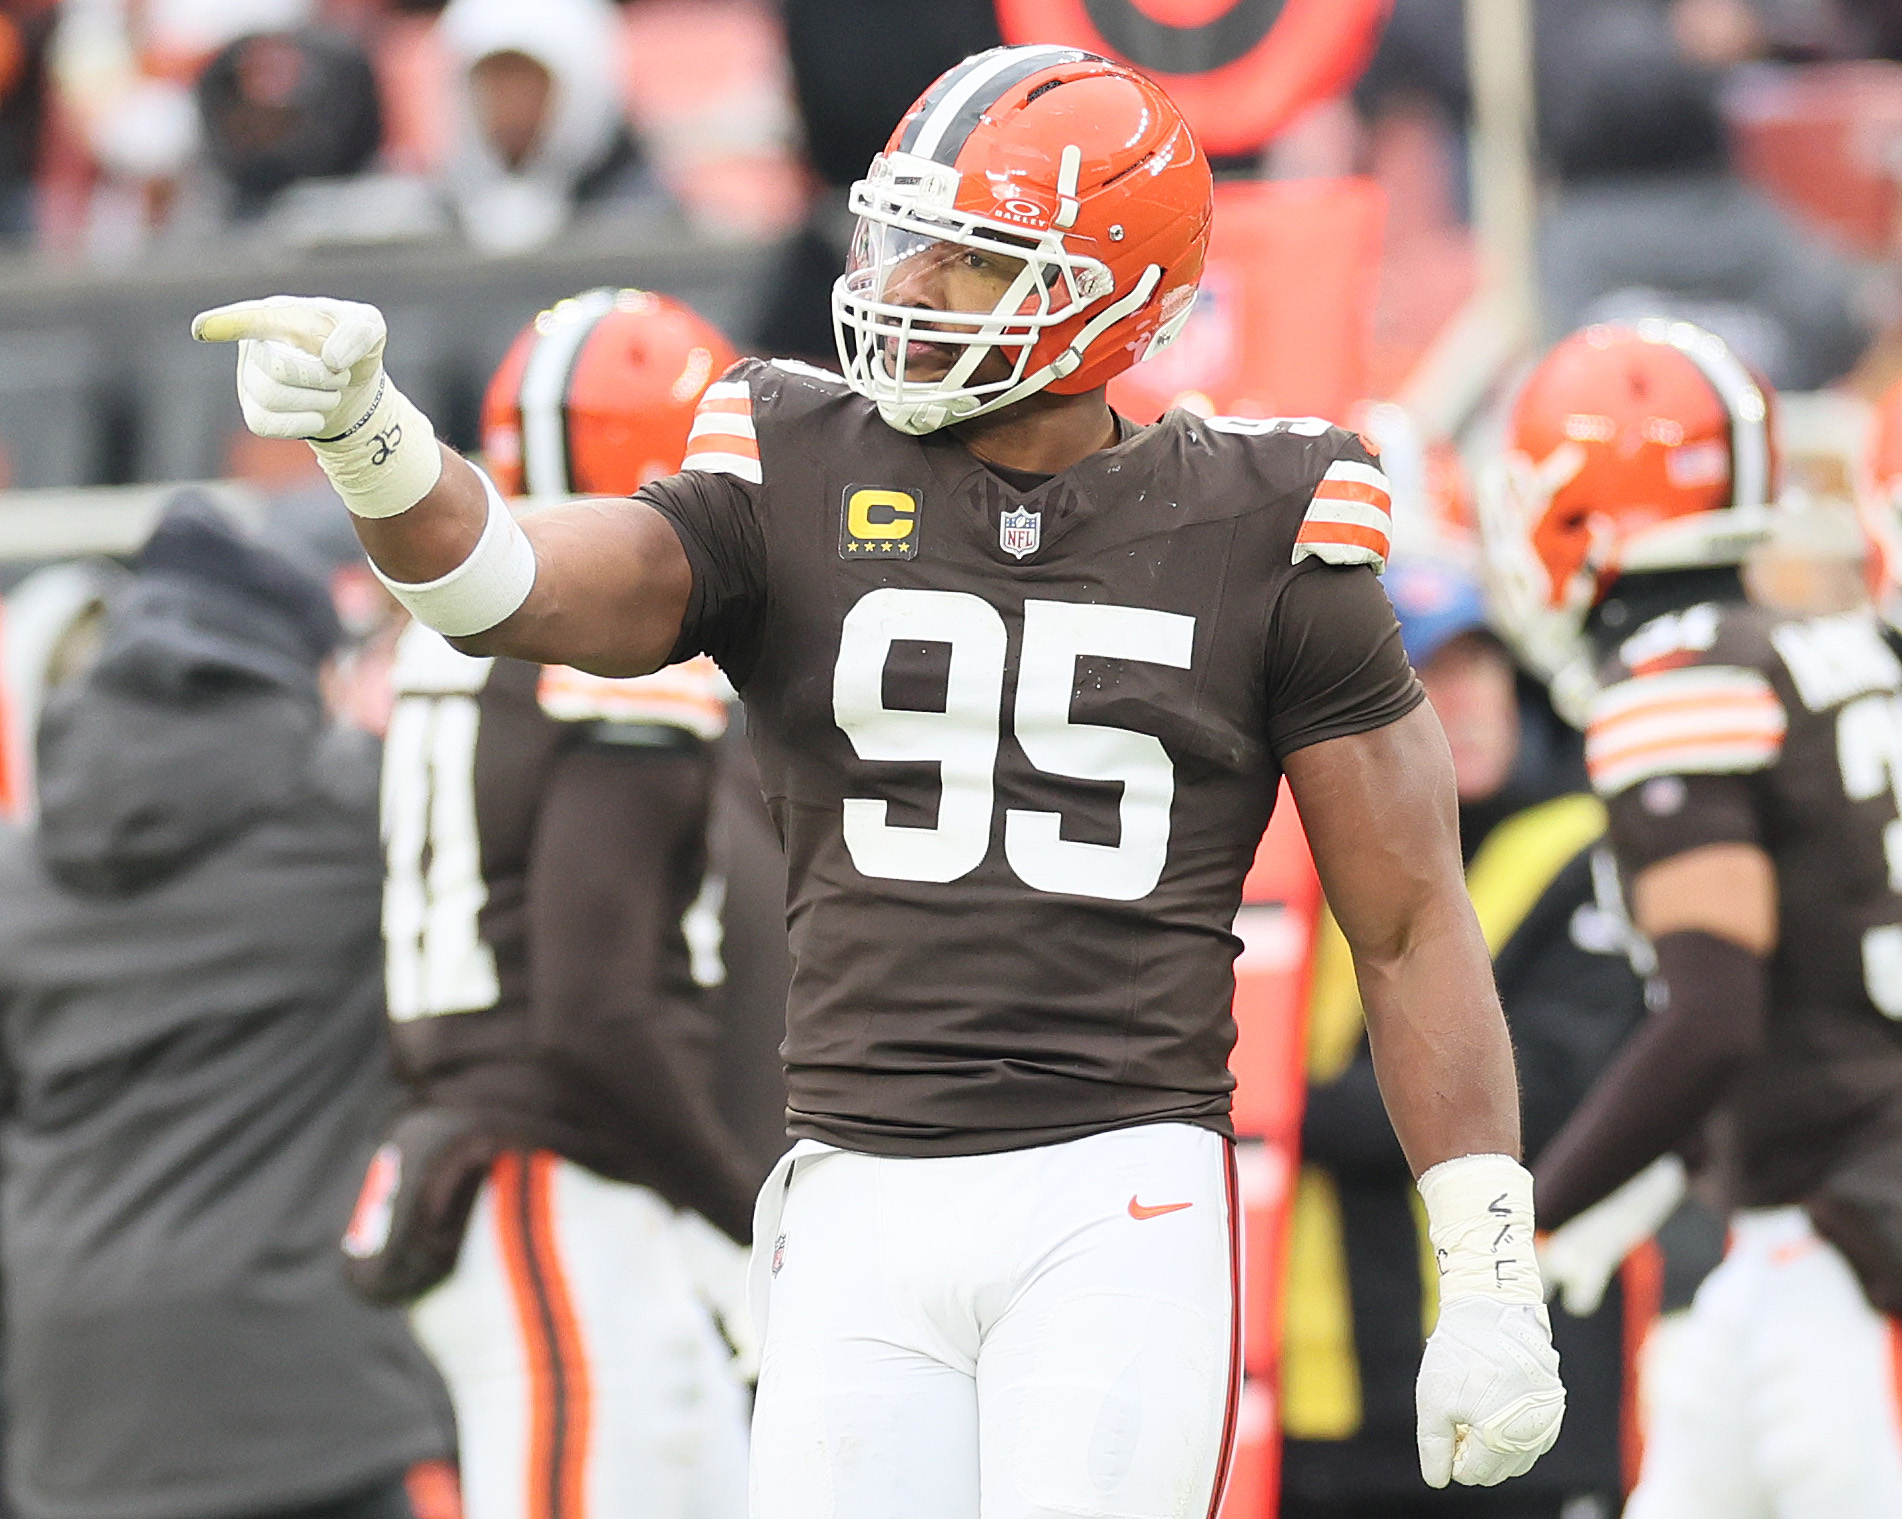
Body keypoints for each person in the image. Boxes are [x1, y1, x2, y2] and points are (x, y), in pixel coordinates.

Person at [193, 44, 1566, 1514]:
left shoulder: (1261, 524)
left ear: (1110, 293)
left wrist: (1487, 1272)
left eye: (965, 262)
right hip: (851, 1181)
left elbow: (1412, 919)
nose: (902, 289)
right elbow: (505, 585)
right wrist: (371, 435)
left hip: (1115, 1186)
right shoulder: (790, 461)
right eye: (899, 240)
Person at [341, 288, 760, 1519]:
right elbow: (593, 1013)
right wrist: (742, 1204)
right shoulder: (609, 654)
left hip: (538, 1169)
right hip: (557, 1179)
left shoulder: (440, 632)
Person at [1482, 318, 1902, 1516]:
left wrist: (1526, 1220)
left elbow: (1713, 1013)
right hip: (1804, 1219)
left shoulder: (1679, 684)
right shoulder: (1833, 644)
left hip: (1851, 1233)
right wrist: (1672, 1160)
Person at [0, 494, 453, 1519]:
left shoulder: (17, 874)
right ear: (296, 666)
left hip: (74, 1424)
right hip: (310, 1410)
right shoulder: (364, 812)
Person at [1280, 559, 1644, 1519]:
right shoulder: (1295, 859)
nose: (1470, 700)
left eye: (1485, 668)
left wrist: (1276, 1109)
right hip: (1323, 1392)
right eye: (1430, 674)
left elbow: (1550, 1092)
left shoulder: (1586, 849)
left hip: (1521, 1394)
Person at [1538, 10, 1870, 392]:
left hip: (1620, 434)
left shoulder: (1568, 243)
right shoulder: (1756, 227)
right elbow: (1837, 318)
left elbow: (1555, 351)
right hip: (1763, 430)